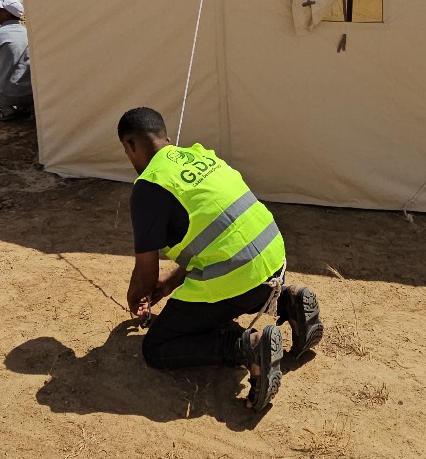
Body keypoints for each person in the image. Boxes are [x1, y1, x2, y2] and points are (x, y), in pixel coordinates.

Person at [118, 107, 324, 412]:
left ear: (130, 145)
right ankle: (288, 301)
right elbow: (215, 233)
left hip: (237, 279)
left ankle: (246, 347)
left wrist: (136, 296)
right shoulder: (202, 155)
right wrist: (173, 281)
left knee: (157, 347)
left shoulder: (149, 186)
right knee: (236, 285)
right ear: (166, 136)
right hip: (273, 263)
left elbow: (145, 275)